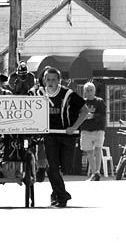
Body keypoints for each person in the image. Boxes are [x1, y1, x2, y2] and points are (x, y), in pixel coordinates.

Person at [36, 67, 88, 207]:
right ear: (43, 80)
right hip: (49, 135)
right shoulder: (37, 93)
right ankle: (61, 196)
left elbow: (85, 111)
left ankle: (57, 193)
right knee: (53, 167)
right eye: (48, 79)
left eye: (54, 79)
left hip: (67, 135)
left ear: (59, 80)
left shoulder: (68, 94)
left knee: (66, 167)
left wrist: (74, 127)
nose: (50, 82)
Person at [80, 82, 106, 181]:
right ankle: (94, 173)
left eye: (91, 90)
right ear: (84, 92)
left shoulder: (100, 101)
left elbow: (103, 115)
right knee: (89, 152)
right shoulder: (82, 102)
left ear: (94, 91)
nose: (89, 92)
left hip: (98, 130)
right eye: (87, 90)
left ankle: (97, 172)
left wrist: (93, 116)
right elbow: (77, 115)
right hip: (86, 130)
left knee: (98, 150)